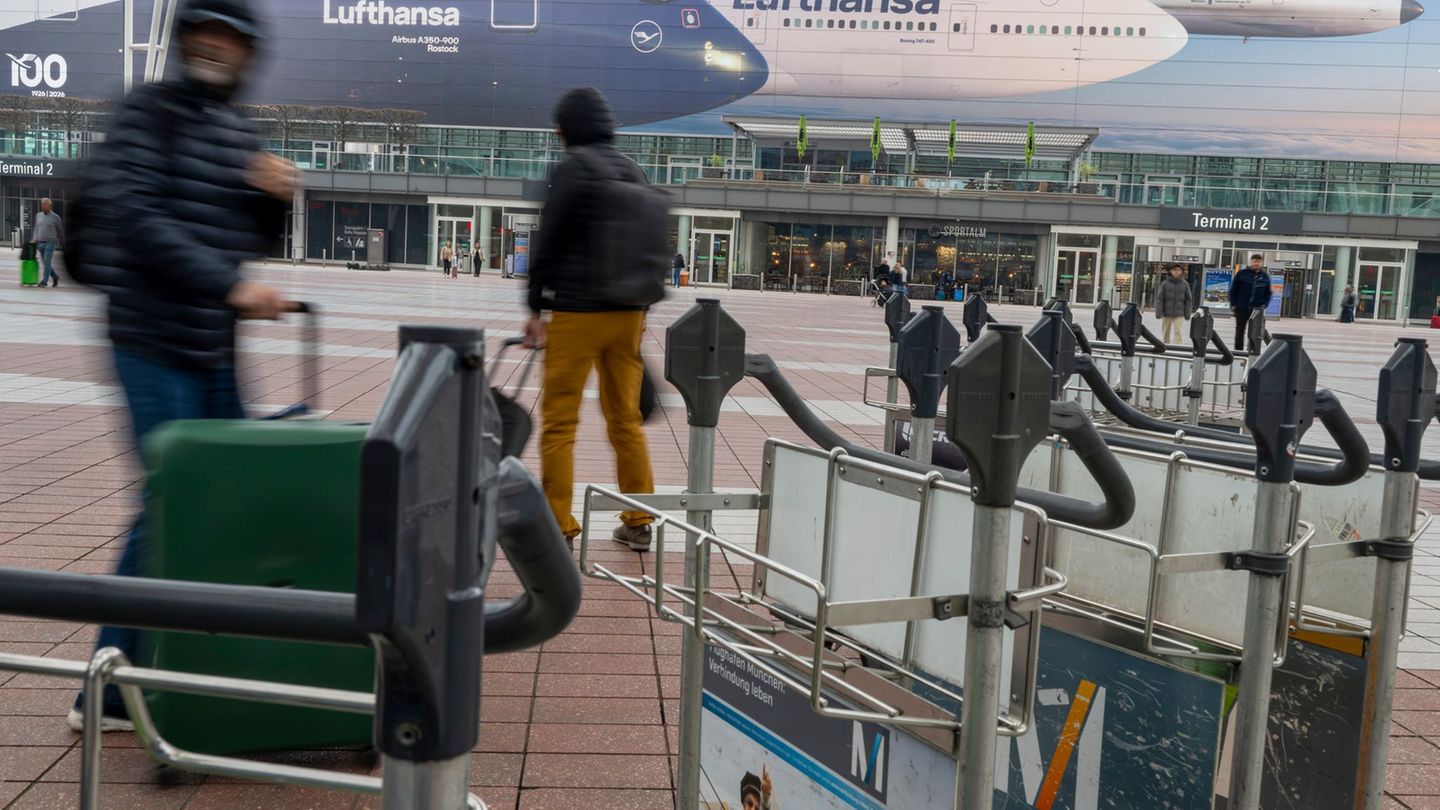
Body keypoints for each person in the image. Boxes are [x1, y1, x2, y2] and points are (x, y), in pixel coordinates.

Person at [66, 0, 295, 733]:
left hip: (214, 345)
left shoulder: (239, 129)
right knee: (169, 497)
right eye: (202, 31)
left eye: (229, 36)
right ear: (183, 38)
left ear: (248, 49)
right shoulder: (148, 112)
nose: (213, 45)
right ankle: (103, 689)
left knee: (227, 496)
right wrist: (226, 285)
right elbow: (135, 217)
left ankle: (193, 659)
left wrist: (274, 200)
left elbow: (245, 236)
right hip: (150, 337)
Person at [524, 87, 655, 552]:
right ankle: (638, 521)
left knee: (561, 422)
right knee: (626, 420)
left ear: (566, 130)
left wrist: (534, 307)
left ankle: (559, 525)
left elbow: (549, 242)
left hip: (579, 313)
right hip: (629, 316)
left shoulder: (573, 168)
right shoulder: (632, 169)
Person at [1228, 254, 1273, 352]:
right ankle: (1238, 352)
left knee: (1255, 332)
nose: (1256, 263)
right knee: (1239, 331)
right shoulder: (1242, 274)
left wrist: (1264, 304)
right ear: (1251, 262)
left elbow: (1268, 293)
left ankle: (1251, 351)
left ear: (1261, 263)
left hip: (1256, 309)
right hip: (1241, 308)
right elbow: (1233, 290)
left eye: (1258, 262)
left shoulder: (1264, 277)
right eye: (1254, 261)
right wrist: (1234, 304)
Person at [1156, 264, 1193, 344]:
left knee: (1178, 332)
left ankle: (1177, 347)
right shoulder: (1164, 284)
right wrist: (1159, 313)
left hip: (1179, 313)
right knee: (1166, 332)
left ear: (1181, 272)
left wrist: (1187, 314)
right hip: (1166, 312)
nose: (1177, 272)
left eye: (1179, 270)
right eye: (1175, 270)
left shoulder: (1185, 284)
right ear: (1171, 271)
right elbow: (1159, 299)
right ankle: (1165, 347)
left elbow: (1188, 300)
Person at [32, 197, 63, 287]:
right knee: (46, 263)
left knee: (47, 261)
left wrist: (62, 240)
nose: (43, 206)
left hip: (51, 241)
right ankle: (55, 276)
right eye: (42, 204)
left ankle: (44, 282)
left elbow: (60, 230)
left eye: (45, 204)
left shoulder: (56, 217)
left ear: (50, 205)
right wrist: (34, 238)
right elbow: (36, 228)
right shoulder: (38, 215)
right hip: (40, 242)